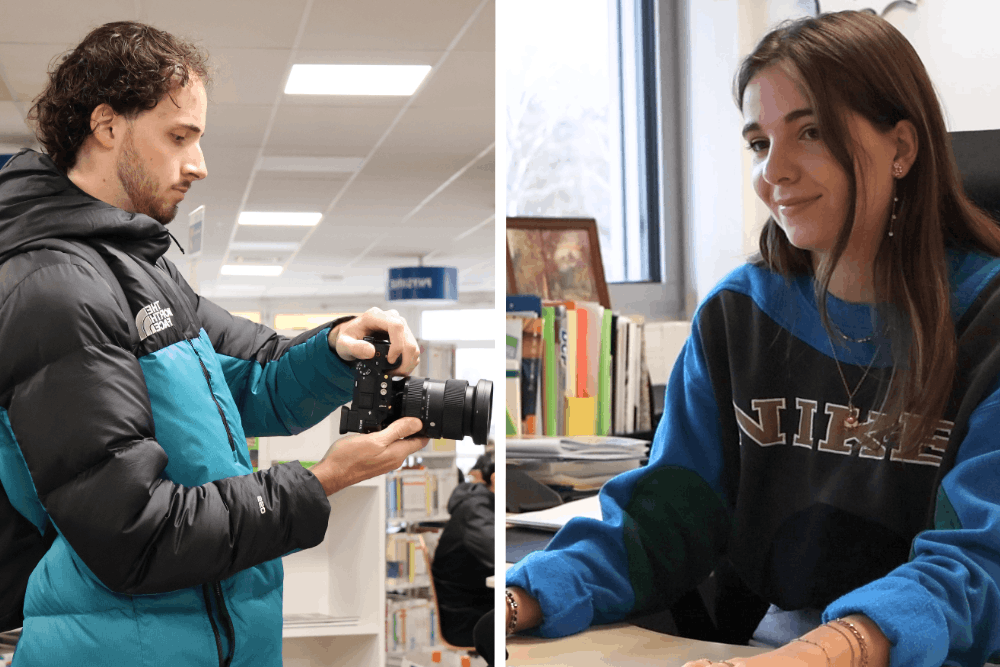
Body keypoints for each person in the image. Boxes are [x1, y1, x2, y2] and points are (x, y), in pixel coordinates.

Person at [505, 11, 1000, 667]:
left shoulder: (988, 321)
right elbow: (664, 520)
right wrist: (519, 598)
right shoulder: (737, 314)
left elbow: (981, 561)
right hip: (774, 645)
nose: (775, 171)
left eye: (812, 132)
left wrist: (821, 652)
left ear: (902, 149)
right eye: (760, 143)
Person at [0, 21, 429, 667]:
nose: (199, 164)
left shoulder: (139, 268)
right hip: (128, 648)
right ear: (107, 125)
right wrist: (322, 481)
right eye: (179, 137)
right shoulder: (58, 287)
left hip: (202, 638)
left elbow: (254, 374)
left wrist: (341, 346)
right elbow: (135, 533)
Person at [431, 452, 495, 648]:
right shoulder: (476, 509)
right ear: (495, 479)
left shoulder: (479, 502)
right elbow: (497, 555)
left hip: (475, 604)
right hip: (467, 617)